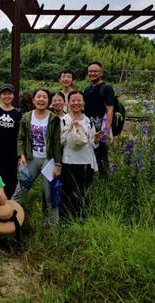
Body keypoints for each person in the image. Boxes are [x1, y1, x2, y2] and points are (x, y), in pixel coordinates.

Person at [12, 89, 62, 226]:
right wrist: (21, 155)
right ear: (33, 100)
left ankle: (52, 225)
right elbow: (20, 138)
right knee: (20, 190)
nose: (41, 99)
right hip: (30, 158)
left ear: (48, 101)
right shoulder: (27, 117)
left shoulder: (53, 118)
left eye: (44, 97)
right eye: (38, 97)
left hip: (48, 160)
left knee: (50, 194)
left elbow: (57, 142)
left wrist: (58, 164)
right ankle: (9, 219)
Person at [60, 90, 100, 218]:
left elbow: (92, 144)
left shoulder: (88, 121)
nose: (76, 103)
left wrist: (96, 140)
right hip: (69, 162)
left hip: (86, 162)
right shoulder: (63, 120)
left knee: (84, 191)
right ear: (68, 103)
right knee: (68, 192)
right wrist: (70, 129)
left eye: (79, 100)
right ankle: (67, 218)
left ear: (83, 103)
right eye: (73, 100)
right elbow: (60, 142)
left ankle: (82, 217)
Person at [0, 83, 22, 199]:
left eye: (9, 94)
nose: (7, 96)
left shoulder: (17, 113)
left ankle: (9, 203)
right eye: (4, 94)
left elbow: (19, 135)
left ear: (13, 96)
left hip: (12, 153)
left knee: (11, 178)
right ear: (0, 95)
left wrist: (20, 155)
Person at [83, 62, 115, 176]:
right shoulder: (87, 89)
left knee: (101, 154)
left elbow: (110, 110)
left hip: (100, 127)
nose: (92, 73)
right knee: (89, 152)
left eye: (95, 71)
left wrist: (106, 130)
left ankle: (104, 179)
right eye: (90, 71)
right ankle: (89, 178)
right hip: (88, 127)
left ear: (101, 73)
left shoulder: (106, 88)